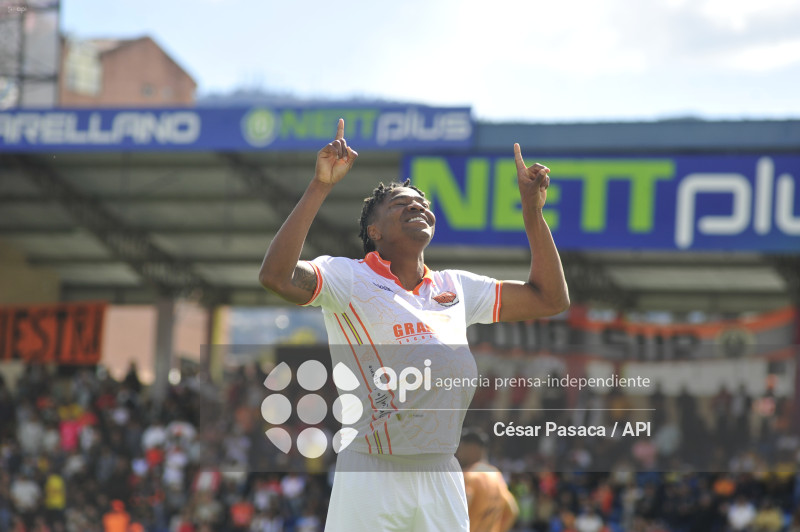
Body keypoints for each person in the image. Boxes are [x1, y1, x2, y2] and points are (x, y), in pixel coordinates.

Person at [259, 119, 569, 531]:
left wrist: (532, 213)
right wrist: (320, 186)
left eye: (422, 205)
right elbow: (276, 277)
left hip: (442, 471)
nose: (417, 208)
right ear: (375, 231)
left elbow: (550, 298)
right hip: (371, 469)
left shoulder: (455, 287)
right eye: (401, 205)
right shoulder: (347, 277)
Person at [455, 428, 519, 532]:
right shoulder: (496, 475)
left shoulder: (470, 476)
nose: (458, 453)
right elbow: (512, 511)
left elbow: (459, 510)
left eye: (461, 448)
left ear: (472, 448)